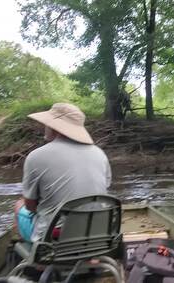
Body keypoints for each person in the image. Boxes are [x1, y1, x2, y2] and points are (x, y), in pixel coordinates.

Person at [14, 103, 112, 243]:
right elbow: (103, 191)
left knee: (19, 205)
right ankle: (89, 257)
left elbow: (30, 206)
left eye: (47, 123)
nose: (45, 126)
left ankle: (36, 258)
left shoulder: (36, 156)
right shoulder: (100, 154)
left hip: (53, 237)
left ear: (55, 127)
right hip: (94, 233)